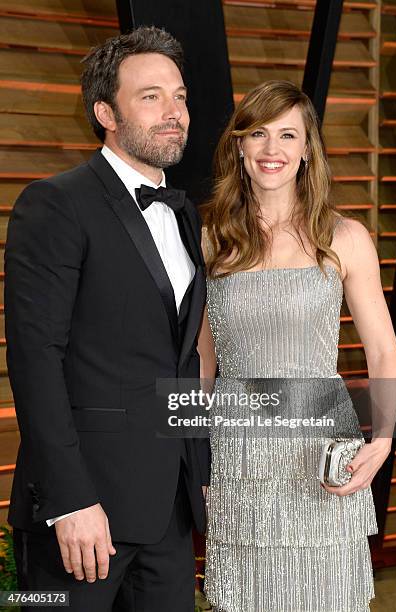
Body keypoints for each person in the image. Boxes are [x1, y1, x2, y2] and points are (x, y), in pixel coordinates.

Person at [5, 26, 209, 612]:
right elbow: (34, 360)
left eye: (179, 96)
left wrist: (200, 477)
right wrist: (71, 501)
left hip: (168, 514)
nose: (173, 112)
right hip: (80, 516)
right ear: (105, 112)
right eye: (150, 97)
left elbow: (182, 362)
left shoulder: (185, 213)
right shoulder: (55, 203)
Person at [197, 80, 396, 611]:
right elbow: (201, 358)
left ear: (307, 149)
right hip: (239, 453)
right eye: (259, 134)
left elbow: (383, 351)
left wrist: (382, 442)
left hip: (321, 453)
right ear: (239, 145)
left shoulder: (346, 237)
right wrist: (193, 458)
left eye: (288, 135)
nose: (273, 150)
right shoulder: (208, 239)